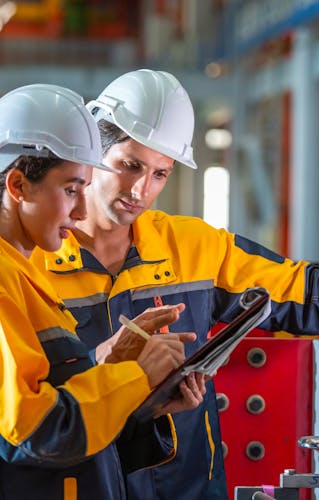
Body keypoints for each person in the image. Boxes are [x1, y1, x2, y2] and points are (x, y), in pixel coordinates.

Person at [31, 69, 319, 499]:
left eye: (160, 174)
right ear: (93, 152)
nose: (141, 190)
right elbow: (25, 408)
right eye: (130, 165)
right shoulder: (31, 263)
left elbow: (312, 295)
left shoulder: (195, 247)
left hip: (186, 487)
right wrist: (101, 364)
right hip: (79, 484)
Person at [0, 82, 206, 500]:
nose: (79, 212)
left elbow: (70, 426)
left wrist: (143, 404)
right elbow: (37, 434)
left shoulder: (26, 278)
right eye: (71, 189)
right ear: (18, 185)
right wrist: (136, 375)